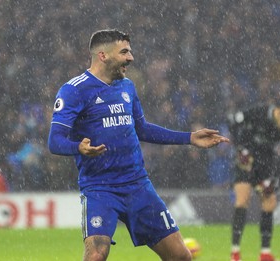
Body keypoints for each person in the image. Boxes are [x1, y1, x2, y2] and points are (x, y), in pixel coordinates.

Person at [48, 29, 229, 261]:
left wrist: (189, 138)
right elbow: (55, 141)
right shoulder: (74, 90)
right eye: (124, 52)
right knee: (96, 256)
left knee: (181, 256)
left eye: (130, 51)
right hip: (99, 188)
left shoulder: (127, 87)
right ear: (103, 55)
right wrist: (78, 147)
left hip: (137, 185)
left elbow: (142, 128)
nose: (131, 57)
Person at [227, 103, 280, 261]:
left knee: (269, 202)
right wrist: (240, 149)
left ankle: (265, 254)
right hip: (246, 162)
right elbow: (232, 121)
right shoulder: (259, 112)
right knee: (243, 199)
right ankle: (235, 253)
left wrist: (274, 179)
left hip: (265, 166)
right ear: (279, 114)